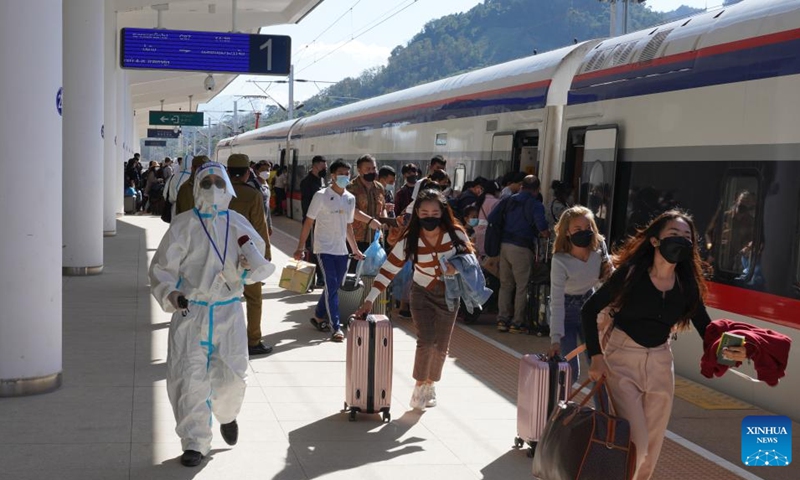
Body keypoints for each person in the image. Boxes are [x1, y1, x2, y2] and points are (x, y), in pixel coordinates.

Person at [582, 210, 747, 480]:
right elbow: (589, 310)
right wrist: (596, 356)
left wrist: (733, 350)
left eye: (687, 237)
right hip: (622, 361)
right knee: (638, 446)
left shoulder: (686, 284)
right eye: (674, 235)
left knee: (653, 448)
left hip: (661, 363)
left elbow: (706, 328)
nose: (681, 241)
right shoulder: (631, 274)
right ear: (655, 241)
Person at [149, 162, 267, 467]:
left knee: (230, 377)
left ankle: (227, 415)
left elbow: (258, 259)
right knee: (188, 378)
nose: (213, 187)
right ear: (196, 187)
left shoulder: (238, 222)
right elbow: (162, 268)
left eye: (218, 181)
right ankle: (195, 441)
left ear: (226, 186)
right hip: (192, 312)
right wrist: (170, 293)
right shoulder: (183, 225)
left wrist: (247, 268)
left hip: (228, 311)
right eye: (206, 182)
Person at [354, 188, 474, 410]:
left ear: (443, 212)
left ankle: (430, 384)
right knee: (426, 340)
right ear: (417, 213)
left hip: (449, 294)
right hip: (421, 292)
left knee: (441, 346)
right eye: (425, 212)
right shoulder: (410, 239)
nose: (430, 216)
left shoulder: (456, 234)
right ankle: (419, 386)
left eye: (435, 212)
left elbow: (471, 262)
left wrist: (453, 269)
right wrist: (369, 299)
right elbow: (389, 269)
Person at [294, 159, 365, 342]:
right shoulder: (321, 195)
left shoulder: (350, 198)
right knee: (332, 285)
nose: (345, 177)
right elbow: (308, 221)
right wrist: (300, 247)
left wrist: (355, 249)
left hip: (341, 250)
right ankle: (336, 327)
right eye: (341, 173)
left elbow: (349, 226)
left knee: (333, 286)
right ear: (332, 175)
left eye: (347, 173)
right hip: (323, 248)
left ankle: (318, 314)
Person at [548, 206, 611, 384]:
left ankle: (603, 412)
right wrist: (555, 339)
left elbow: (609, 280)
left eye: (588, 227)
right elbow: (557, 301)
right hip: (565, 311)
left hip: (590, 307)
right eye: (577, 229)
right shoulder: (560, 260)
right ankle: (561, 409)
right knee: (569, 370)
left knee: (599, 366)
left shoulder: (599, 248)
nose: (585, 232)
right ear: (567, 232)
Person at [227, 154, 274, 357]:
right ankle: (253, 341)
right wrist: (266, 255)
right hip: (248, 253)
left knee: (226, 297)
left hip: (222, 254)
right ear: (248, 172)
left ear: (228, 172)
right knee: (254, 298)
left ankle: (226, 340)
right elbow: (260, 228)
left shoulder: (220, 193)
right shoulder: (253, 194)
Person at [492, 175, 549, 333]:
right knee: (522, 286)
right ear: (537, 190)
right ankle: (517, 322)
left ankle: (502, 320)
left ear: (522, 186)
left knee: (505, 285)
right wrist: (546, 233)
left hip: (504, 245)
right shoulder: (535, 204)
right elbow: (542, 227)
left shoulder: (508, 200)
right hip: (522, 248)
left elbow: (492, 217)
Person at [347, 154, 386, 256]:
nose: (372, 171)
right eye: (368, 169)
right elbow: (351, 211)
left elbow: (383, 207)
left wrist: (385, 220)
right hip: (356, 240)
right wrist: (370, 221)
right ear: (359, 170)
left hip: (376, 239)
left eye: (373, 168)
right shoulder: (351, 188)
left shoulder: (379, 187)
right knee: (354, 271)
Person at [300, 155, 328, 288]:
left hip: (322, 222)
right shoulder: (307, 182)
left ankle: (320, 277)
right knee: (311, 250)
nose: (325, 169)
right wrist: (310, 221)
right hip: (312, 222)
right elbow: (306, 205)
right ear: (315, 165)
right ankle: (311, 279)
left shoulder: (323, 180)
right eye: (323, 166)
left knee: (320, 250)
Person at [251, 161, 274, 237]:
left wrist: (269, 225)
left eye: (268, 170)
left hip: (263, 224)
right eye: (263, 169)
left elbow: (267, 206)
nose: (266, 172)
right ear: (257, 171)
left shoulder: (267, 186)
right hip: (254, 224)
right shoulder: (252, 185)